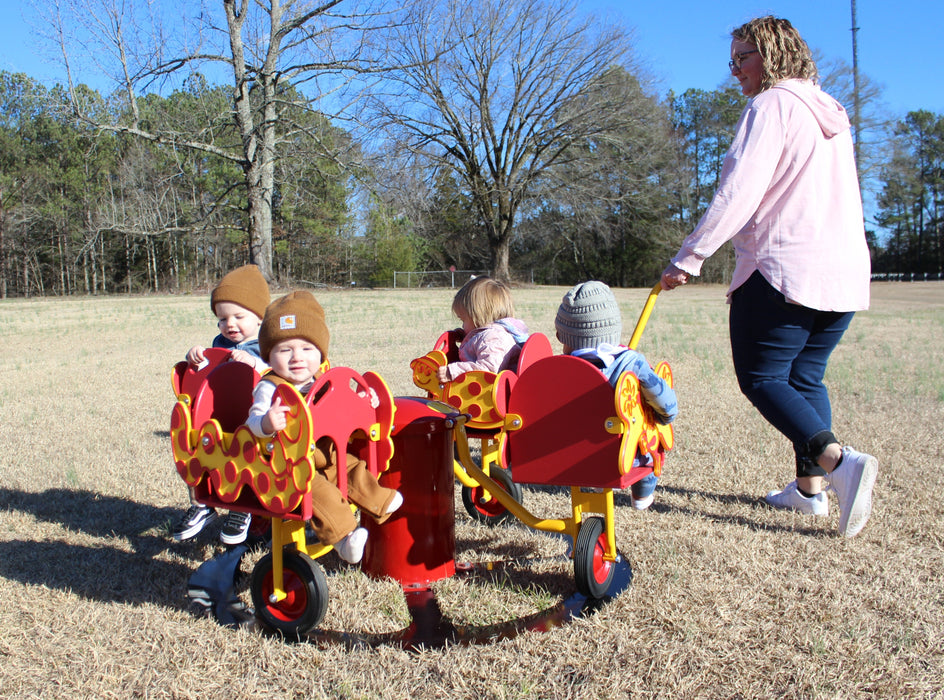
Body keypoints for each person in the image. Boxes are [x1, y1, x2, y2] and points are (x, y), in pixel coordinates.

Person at [659, 16, 877, 537]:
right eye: (731, 61)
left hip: (784, 269)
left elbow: (741, 190)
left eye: (744, 57)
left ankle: (839, 463)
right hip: (843, 273)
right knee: (804, 379)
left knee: (761, 377)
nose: (735, 70)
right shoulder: (832, 113)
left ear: (774, 54)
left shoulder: (772, 105)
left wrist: (690, 256)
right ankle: (809, 494)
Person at [246, 291, 403, 564]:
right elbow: (251, 423)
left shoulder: (322, 380)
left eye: (307, 349)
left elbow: (344, 405)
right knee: (319, 491)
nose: (297, 357)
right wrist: (267, 422)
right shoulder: (269, 386)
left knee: (354, 468)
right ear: (269, 356)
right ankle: (343, 539)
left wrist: (365, 402)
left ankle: (380, 501)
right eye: (285, 349)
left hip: (327, 453)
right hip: (289, 465)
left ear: (320, 354)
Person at [555, 281, 678, 510]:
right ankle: (642, 495)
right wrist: (663, 417)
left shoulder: (558, 369)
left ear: (561, 335)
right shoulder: (632, 363)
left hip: (566, 453)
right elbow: (668, 406)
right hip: (619, 455)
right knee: (652, 447)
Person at [171, 264, 271, 544]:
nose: (230, 324)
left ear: (260, 318)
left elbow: (280, 374)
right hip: (218, 419)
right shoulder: (220, 343)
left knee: (247, 454)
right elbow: (203, 377)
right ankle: (202, 504)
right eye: (222, 318)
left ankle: (243, 508)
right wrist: (197, 358)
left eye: (239, 316)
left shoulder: (267, 346)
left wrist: (255, 364)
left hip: (255, 422)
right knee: (193, 448)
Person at [436, 276, 530, 384]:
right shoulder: (489, 334)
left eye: (463, 320)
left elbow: (488, 371)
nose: (462, 325)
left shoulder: (493, 338)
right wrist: (468, 336)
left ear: (478, 317)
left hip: (491, 397)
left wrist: (453, 372)